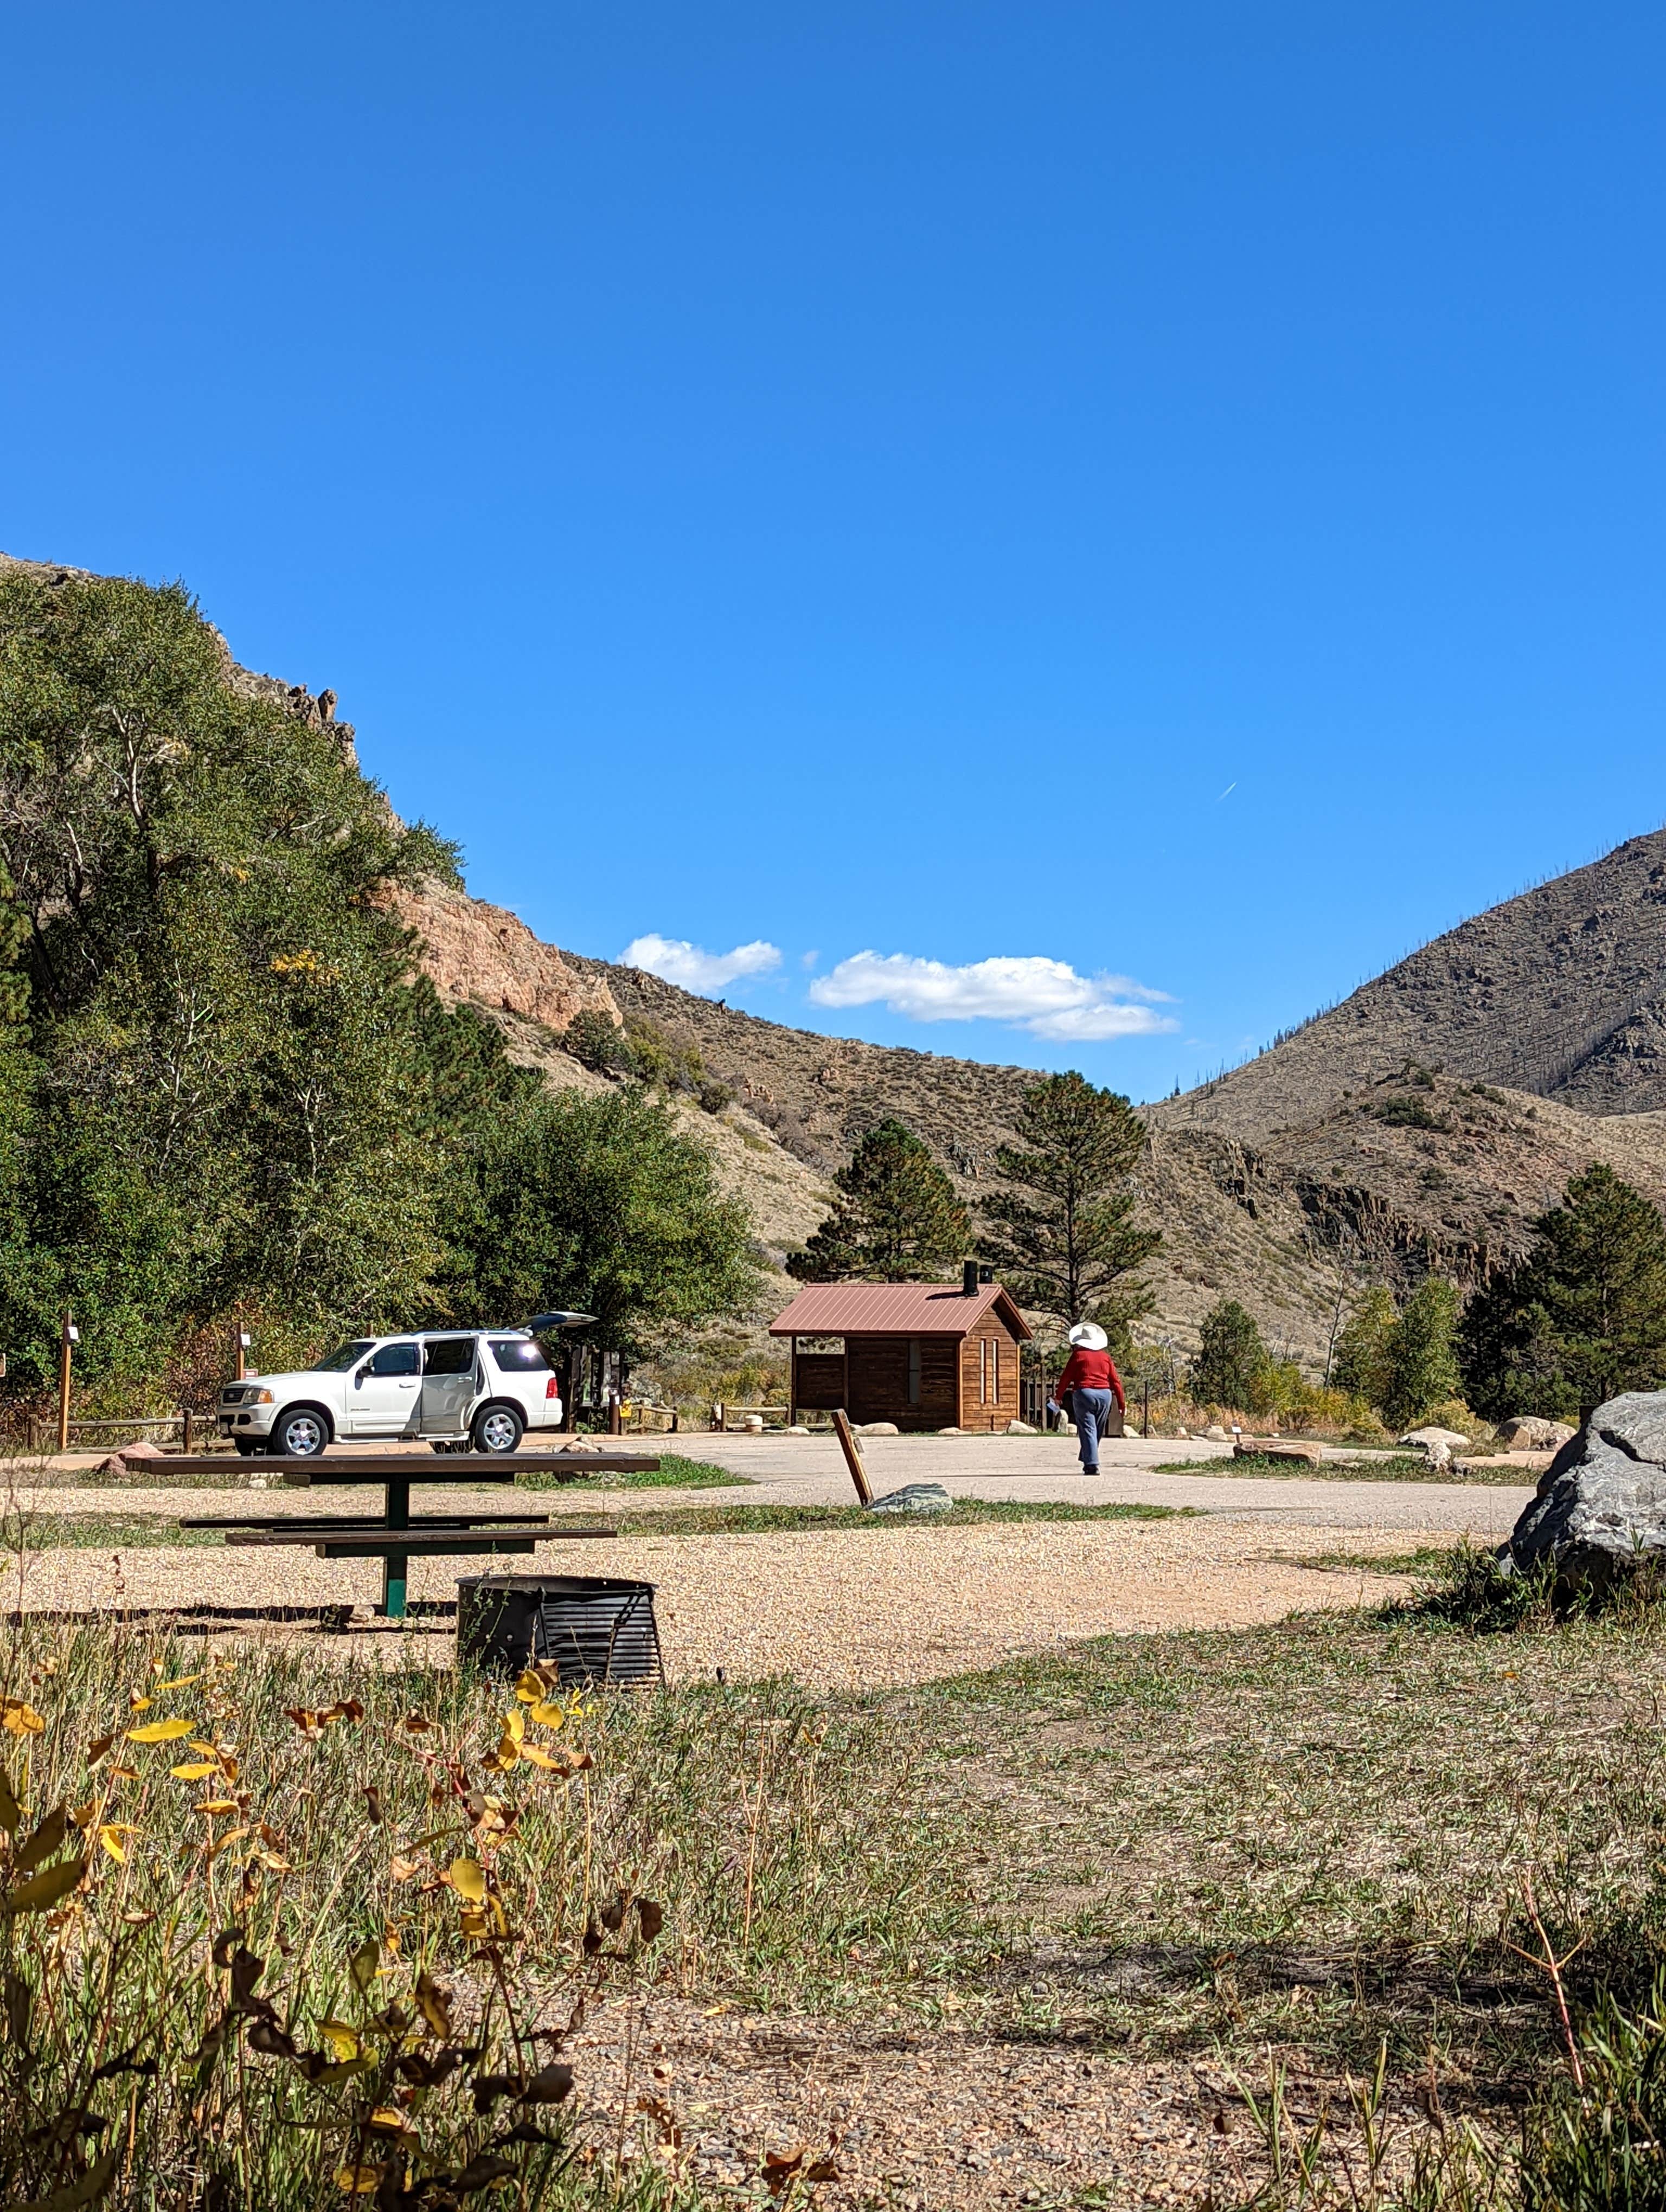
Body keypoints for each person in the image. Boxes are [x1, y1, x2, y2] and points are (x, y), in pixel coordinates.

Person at [1055, 1321, 1125, 1474]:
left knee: (1088, 1429)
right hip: (1105, 1395)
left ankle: (1092, 1464)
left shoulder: (1078, 1355)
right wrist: (1121, 1403)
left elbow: (1066, 1377)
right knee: (1097, 1430)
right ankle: (1088, 1459)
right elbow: (1116, 1381)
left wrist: (1058, 1396)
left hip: (1084, 1393)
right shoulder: (1105, 1357)